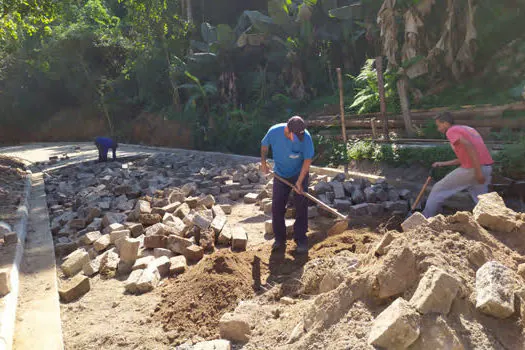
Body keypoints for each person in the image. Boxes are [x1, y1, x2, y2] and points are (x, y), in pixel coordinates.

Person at [422, 112, 494, 218]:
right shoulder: (467, 129)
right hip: (486, 167)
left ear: (446, 123)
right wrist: (442, 163)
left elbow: (470, 147)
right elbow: (466, 157)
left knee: (438, 189)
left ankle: (424, 219)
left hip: (473, 169)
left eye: (439, 125)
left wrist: (478, 172)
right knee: (482, 200)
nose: (438, 129)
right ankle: (495, 221)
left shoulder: (451, 131)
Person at [260, 116, 315, 254]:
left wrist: (299, 182)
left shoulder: (306, 137)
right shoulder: (274, 132)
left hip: (299, 173)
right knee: (277, 207)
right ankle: (279, 239)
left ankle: (301, 239)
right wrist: (263, 162)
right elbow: (264, 145)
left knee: (301, 206)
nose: (297, 140)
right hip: (280, 174)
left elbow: (307, 160)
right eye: (295, 137)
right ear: (287, 130)